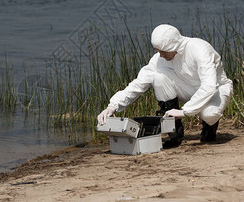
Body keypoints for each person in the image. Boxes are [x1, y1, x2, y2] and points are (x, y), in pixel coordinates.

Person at [97, 24, 233, 146]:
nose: (160, 55)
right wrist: (112, 106)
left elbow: (210, 86)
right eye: (157, 50)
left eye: (162, 51)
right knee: (159, 76)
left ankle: (210, 126)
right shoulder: (160, 58)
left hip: (217, 90)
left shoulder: (200, 48)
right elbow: (138, 84)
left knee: (209, 115)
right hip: (189, 89)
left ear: (173, 46)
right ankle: (174, 131)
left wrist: (184, 112)